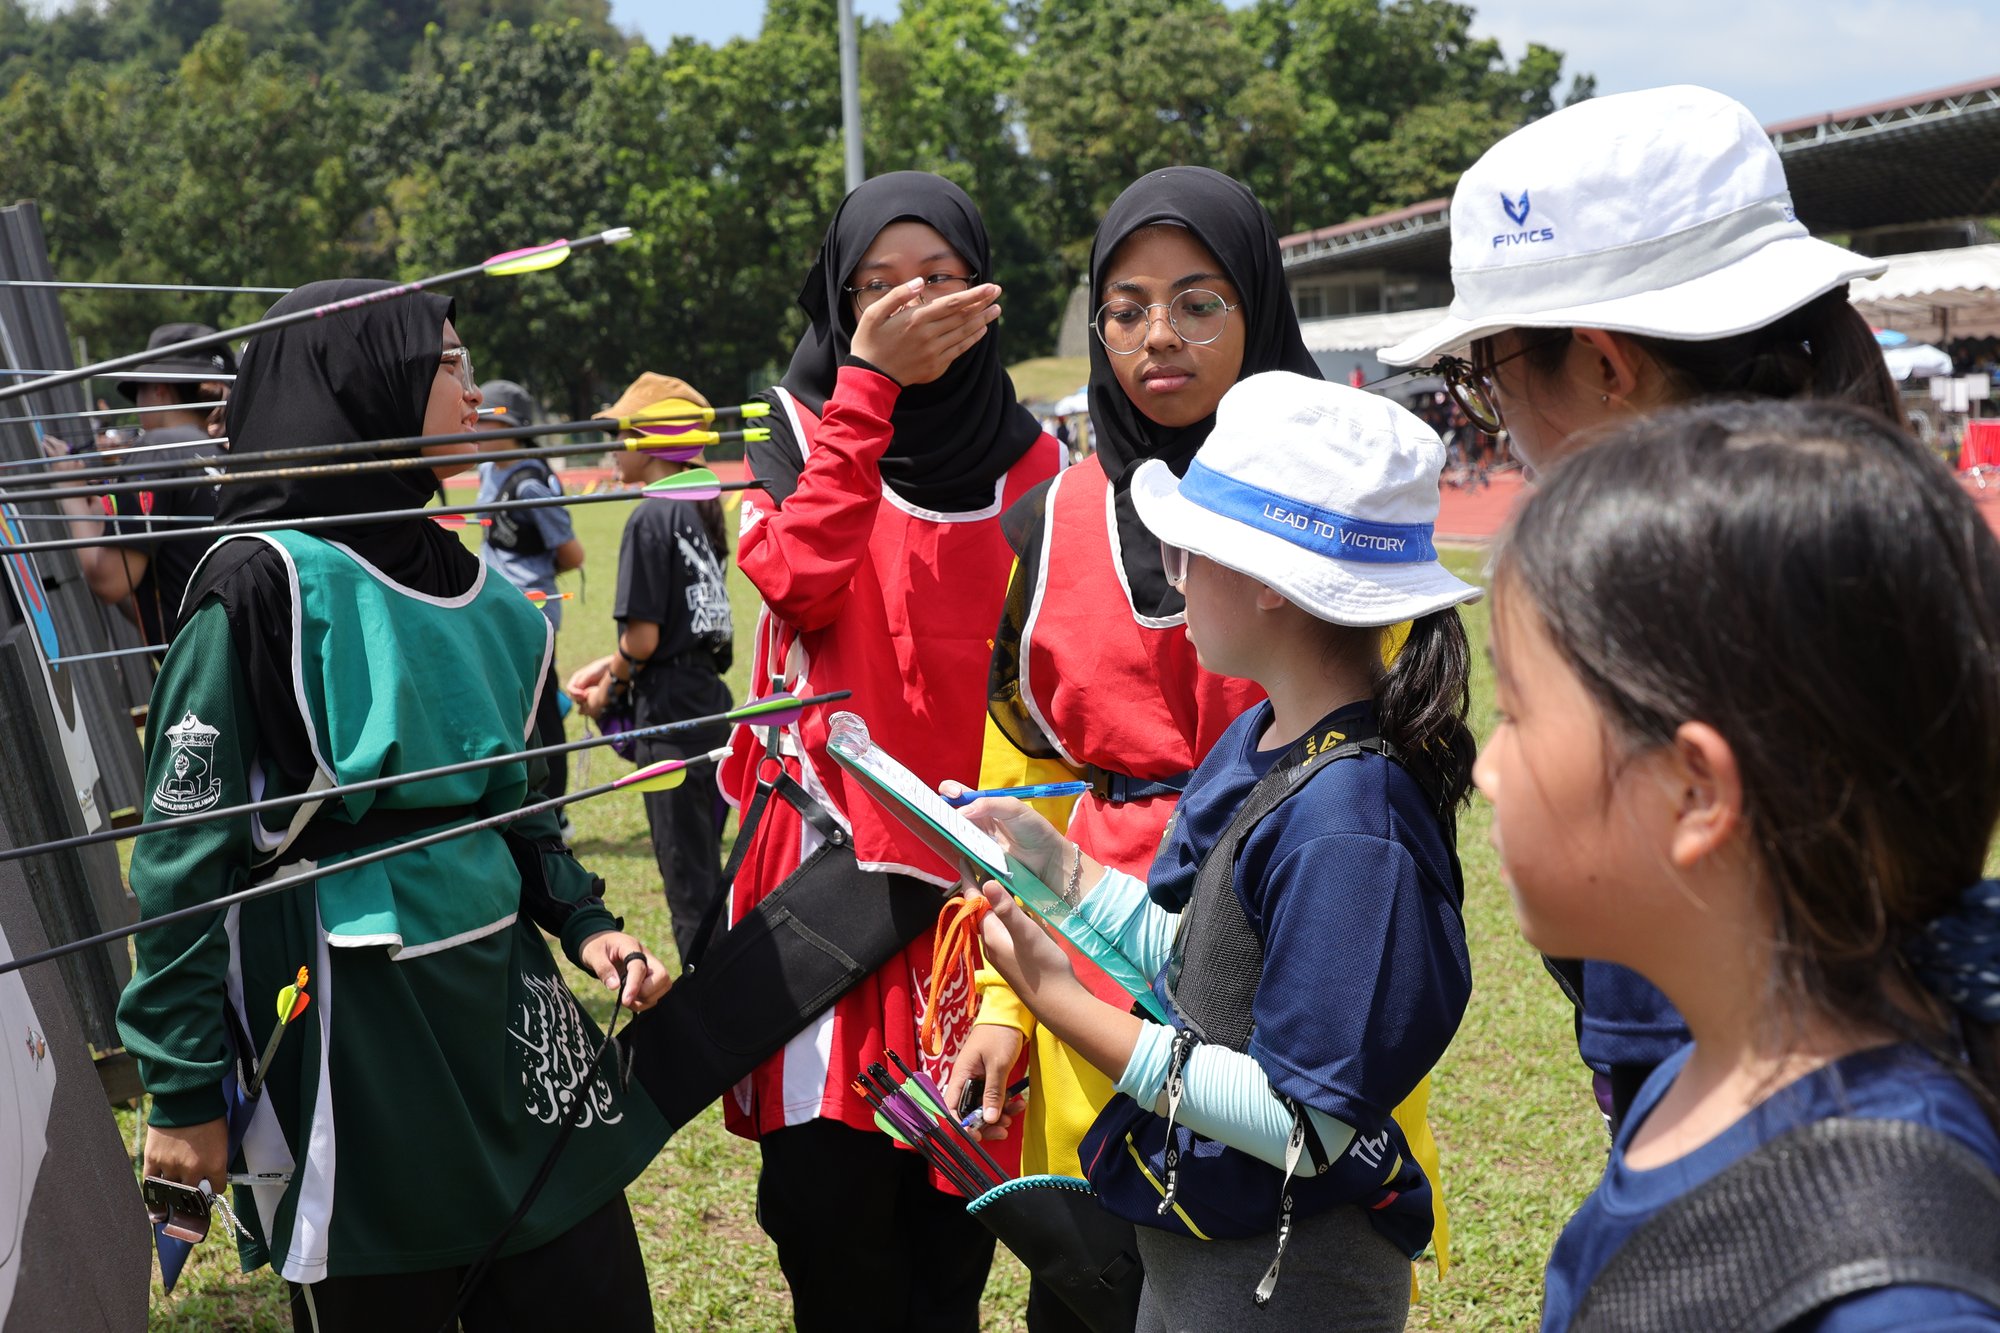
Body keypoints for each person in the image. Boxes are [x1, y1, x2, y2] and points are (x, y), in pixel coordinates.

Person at [114, 281, 673, 1332]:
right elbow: (181, 865)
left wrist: (588, 922)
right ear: (362, 380)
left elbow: (521, 813)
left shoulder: (494, 601)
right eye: (446, 364)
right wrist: (184, 1093)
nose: (468, 390)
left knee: (585, 1283)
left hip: (503, 1011)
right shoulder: (256, 586)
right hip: (349, 1038)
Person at [951, 167, 1453, 1330]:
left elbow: (1302, 1102)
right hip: (1107, 979)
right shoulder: (1051, 516)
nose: (1154, 336)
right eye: (1122, 307)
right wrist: (1008, 995)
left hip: (1285, 1001)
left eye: (1197, 301)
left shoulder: (1340, 535)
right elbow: (1020, 768)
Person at [1380, 84, 1904, 1130]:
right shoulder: (1864, 554)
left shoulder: (1650, 634)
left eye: (1483, 377)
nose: (1495, 422)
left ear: (1604, 363)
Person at [1477, 400, 2000, 1327]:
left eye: (1515, 713)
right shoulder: (1695, 1081)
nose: (1488, 765)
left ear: (1695, 793)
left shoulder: (1906, 1296)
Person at [714, 172, 1061, 1332]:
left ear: (985, 291)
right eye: (874, 287)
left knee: (948, 1231)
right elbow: (800, 582)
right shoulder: (796, 424)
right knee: (824, 1218)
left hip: (974, 902)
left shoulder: (1039, 470)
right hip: (832, 886)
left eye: (937, 279)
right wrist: (867, 390)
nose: (907, 302)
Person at [567, 373, 734, 962]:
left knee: (690, 895)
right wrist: (610, 665)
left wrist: (610, 684)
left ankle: (718, 1032)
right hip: (708, 709)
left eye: (620, 433)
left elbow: (642, 636)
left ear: (652, 440)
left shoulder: (648, 517)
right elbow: (677, 628)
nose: (612, 448)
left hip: (668, 722)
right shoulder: (701, 507)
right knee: (707, 880)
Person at [40, 322, 236, 643]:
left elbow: (110, 581)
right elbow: (156, 593)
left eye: (138, 390)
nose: (137, 404)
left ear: (159, 388)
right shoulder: (224, 455)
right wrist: (94, 508)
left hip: (203, 671)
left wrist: (69, 488)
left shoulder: (157, 450)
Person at [476, 379, 585, 810]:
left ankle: (553, 807)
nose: (474, 428)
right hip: (496, 607)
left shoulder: (529, 483)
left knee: (538, 713)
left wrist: (530, 577)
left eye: (485, 421)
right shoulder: (487, 468)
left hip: (529, 609)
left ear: (513, 428)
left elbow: (572, 553)